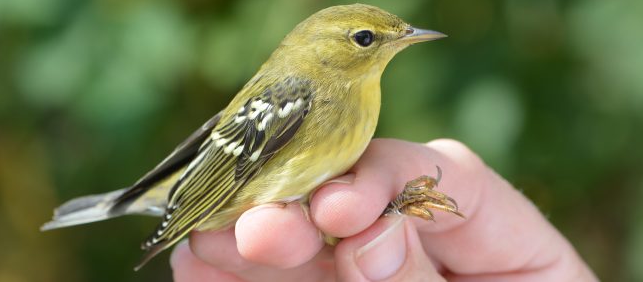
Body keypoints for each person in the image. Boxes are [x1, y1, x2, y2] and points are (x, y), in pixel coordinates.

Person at [170, 139, 598, 281]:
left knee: (334, 214)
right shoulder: (308, 95)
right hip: (216, 192)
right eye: (364, 39)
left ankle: (393, 208)